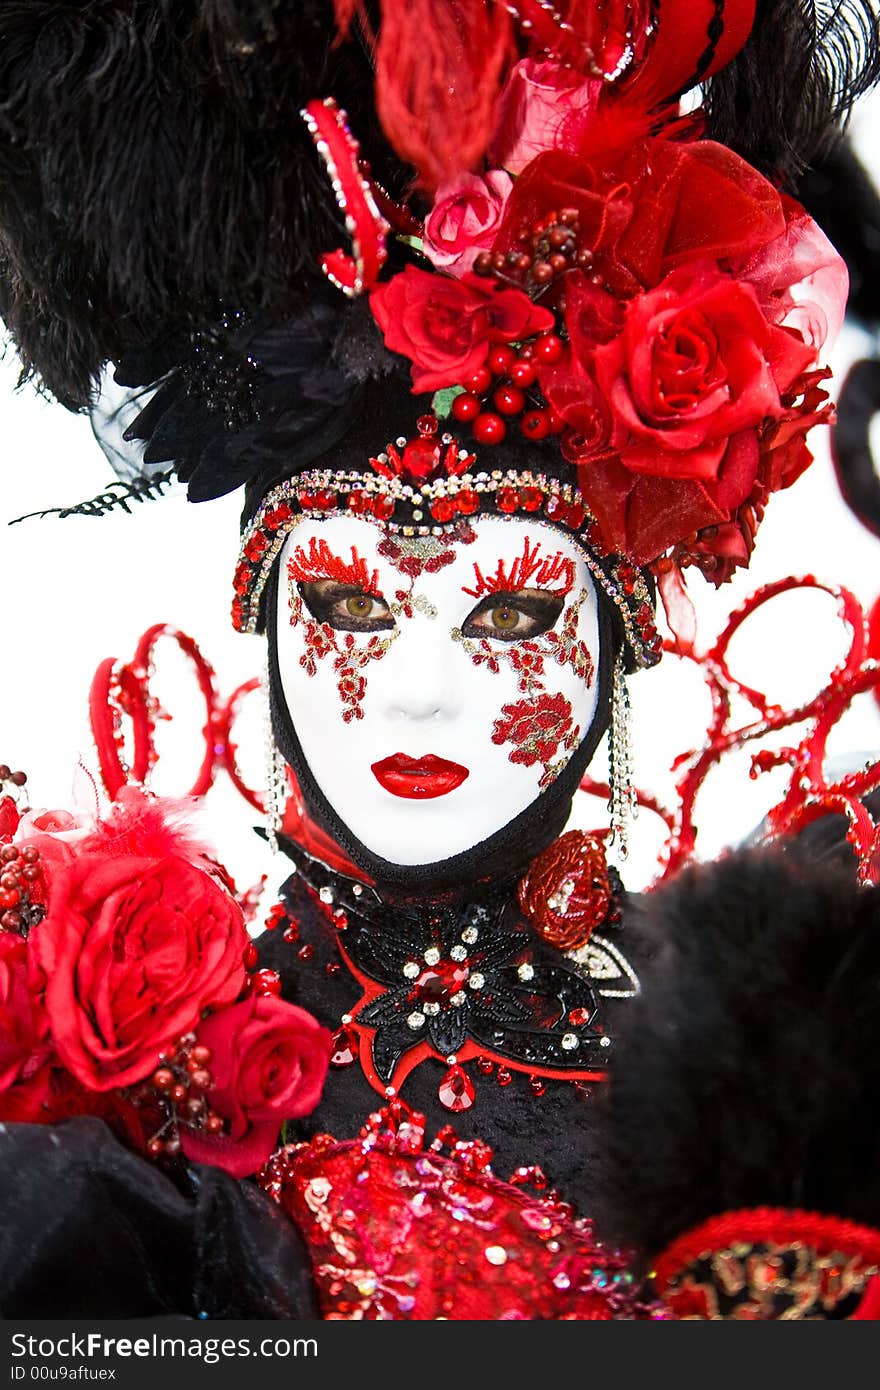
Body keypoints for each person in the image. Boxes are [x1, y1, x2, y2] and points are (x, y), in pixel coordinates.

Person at [0, 0, 878, 1321]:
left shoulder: (762, 1051)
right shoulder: (127, 1062)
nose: (419, 688)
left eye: (511, 616)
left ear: (619, 631)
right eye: (350, 604)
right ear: (262, 601)